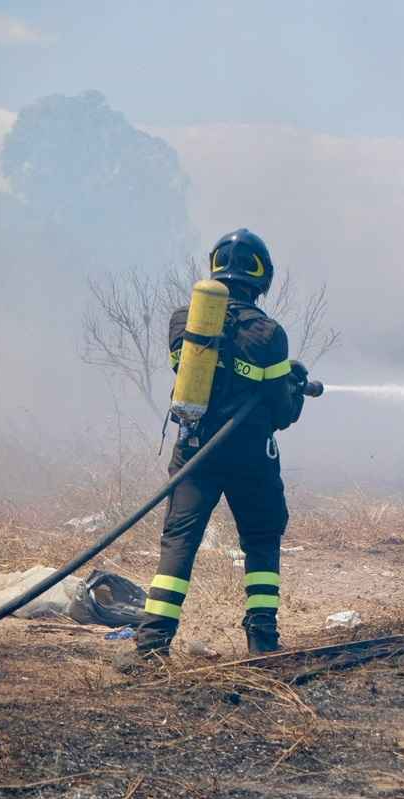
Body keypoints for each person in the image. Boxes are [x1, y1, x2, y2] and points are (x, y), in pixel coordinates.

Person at [122, 229, 308, 668]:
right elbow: (281, 413)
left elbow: (197, 378)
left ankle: (151, 645)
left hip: (194, 453)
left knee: (179, 542)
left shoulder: (183, 322)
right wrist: (293, 387)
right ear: (260, 276)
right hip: (250, 458)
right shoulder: (268, 334)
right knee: (261, 541)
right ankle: (262, 638)